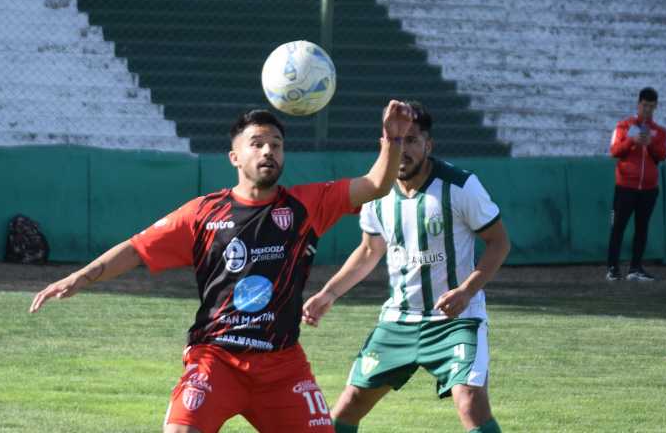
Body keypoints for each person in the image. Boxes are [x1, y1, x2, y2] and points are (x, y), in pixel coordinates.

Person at [29, 101, 415, 433]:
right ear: (235, 157)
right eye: (258, 144)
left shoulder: (308, 204)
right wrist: (81, 277)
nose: (268, 152)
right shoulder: (203, 213)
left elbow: (377, 184)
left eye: (277, 145)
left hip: (283, 366)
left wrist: (393, 140)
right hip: (216, 359)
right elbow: (136, 249)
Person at [302, 101, 511, 433]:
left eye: (413, 140)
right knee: (349, 403)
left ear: (429, 145)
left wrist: (467, 290)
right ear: (384, 144)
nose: (404, 149)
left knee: (470, 401)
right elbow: (370, 251)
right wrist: (329, 293)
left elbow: (499, 242)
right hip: (398, 320)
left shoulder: (460, 186)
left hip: (455, 320)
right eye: (396, 140)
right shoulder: (376, 193)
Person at [605, 87, 666, 281]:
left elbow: (663, 155)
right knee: (618, 227)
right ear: (638, 103)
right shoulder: (623, 126)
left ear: (656, 106)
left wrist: (650, 143)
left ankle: (635, 269)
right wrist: (631, 140)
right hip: (625, 186)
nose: (647, 109)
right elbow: (614, 151)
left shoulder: (659, 131)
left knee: (642, 228)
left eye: (651, 106)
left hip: (648, 189)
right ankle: (613, 269)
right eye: (644, 105)